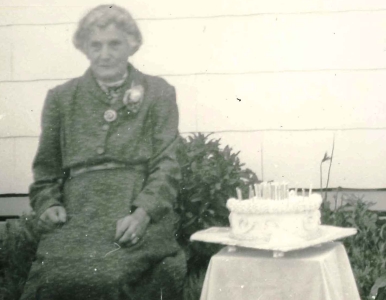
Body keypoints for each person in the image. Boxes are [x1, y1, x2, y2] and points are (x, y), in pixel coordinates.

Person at [20, 4, 186, 300]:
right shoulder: (61, 98)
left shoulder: (158, 92)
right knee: (53, 280)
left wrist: (142, 214)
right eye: (95, 45)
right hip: (77, 214)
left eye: (114, 44)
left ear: (132, 45)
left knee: (109, 277)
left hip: (133, 208)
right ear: (83, 47)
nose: (104, 53)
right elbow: (46, 170)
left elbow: (167, 164)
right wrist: (47, 204)